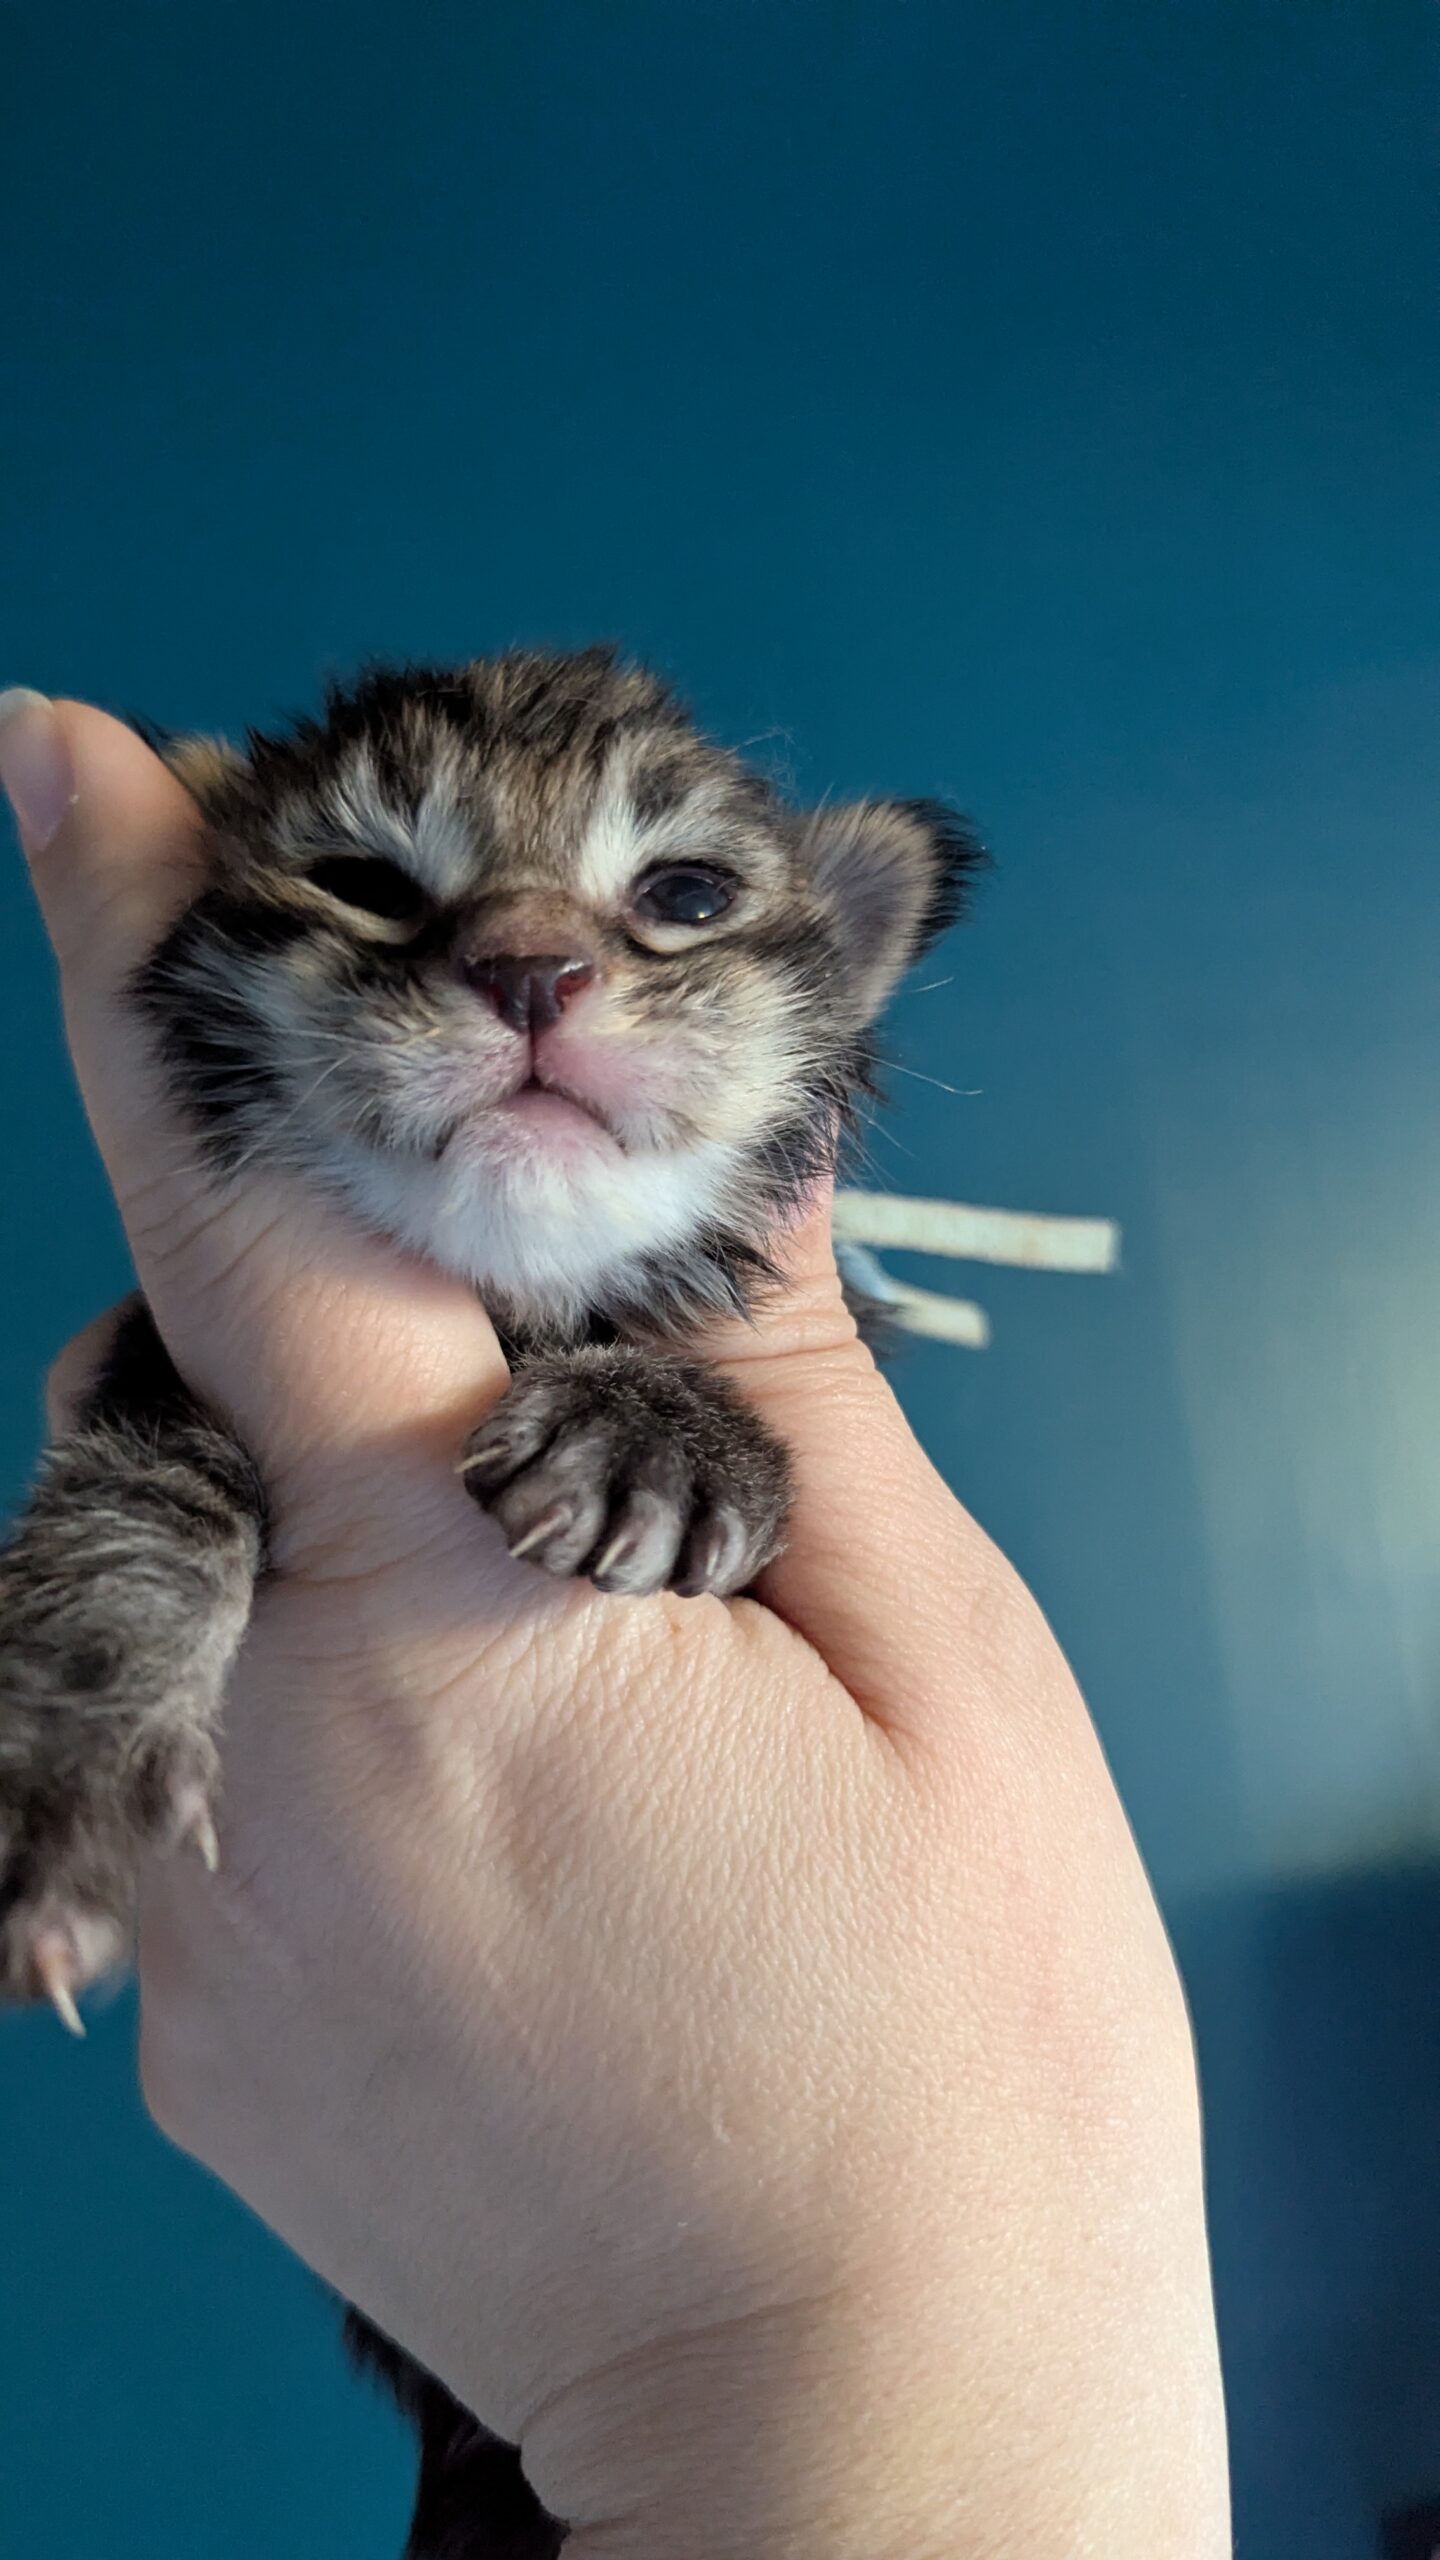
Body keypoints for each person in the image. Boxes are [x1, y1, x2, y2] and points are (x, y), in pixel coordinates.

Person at [1, 691, 1231, 2558]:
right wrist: (99, 1666)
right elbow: (162, 1475)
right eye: (366, 886)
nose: (527, 950)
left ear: (835, 988)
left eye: (680, 898)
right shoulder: (211, 1377)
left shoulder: (769, 1404)